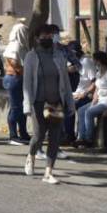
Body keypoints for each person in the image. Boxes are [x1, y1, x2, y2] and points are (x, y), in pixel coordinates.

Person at [22, 24, 74, 184]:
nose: (47, 38)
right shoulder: (31, 57)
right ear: (37, 38)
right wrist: (27, 105)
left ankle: (48, 173)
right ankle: (31, 156)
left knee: (55, 137)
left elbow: (65, 81)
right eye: (43, 36)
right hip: (38, 102)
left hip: (55, 102)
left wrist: (70, 103)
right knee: (39, 136)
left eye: (50, 35)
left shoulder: (58, 56)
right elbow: (27, 83)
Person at [74, 52, 107, 148]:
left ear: (99, 61)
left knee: (89, 112)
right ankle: (81, 137)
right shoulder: (98, 73)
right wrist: (93, 101)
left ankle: (89, 139)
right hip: (99, 100)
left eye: (94, 60)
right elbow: (97, 89)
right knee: (81, 110)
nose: (93, 62)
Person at [2, 20, 31, 145]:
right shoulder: (15, 45)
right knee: (16, 107)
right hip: (15, 78)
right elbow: (13, 61)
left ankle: (23, 133)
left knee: (21, 107)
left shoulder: (22, 45)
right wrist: (25, 71)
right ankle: (13, 135)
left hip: (19, 79)